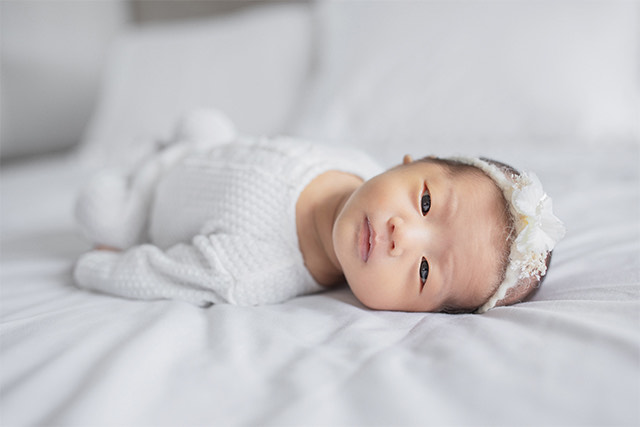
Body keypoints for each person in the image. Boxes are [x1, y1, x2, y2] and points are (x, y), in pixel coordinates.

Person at [74, 110, 565, 313]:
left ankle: (127, 204)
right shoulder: (355, 166)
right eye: (426, 203)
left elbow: (160, 275)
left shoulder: (252, 272)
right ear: (406, 163)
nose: (402, 237)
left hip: (149, 203)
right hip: (206, 150)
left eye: (422, 270)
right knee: (206, 121)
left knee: (96, 204)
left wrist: (99, 264)